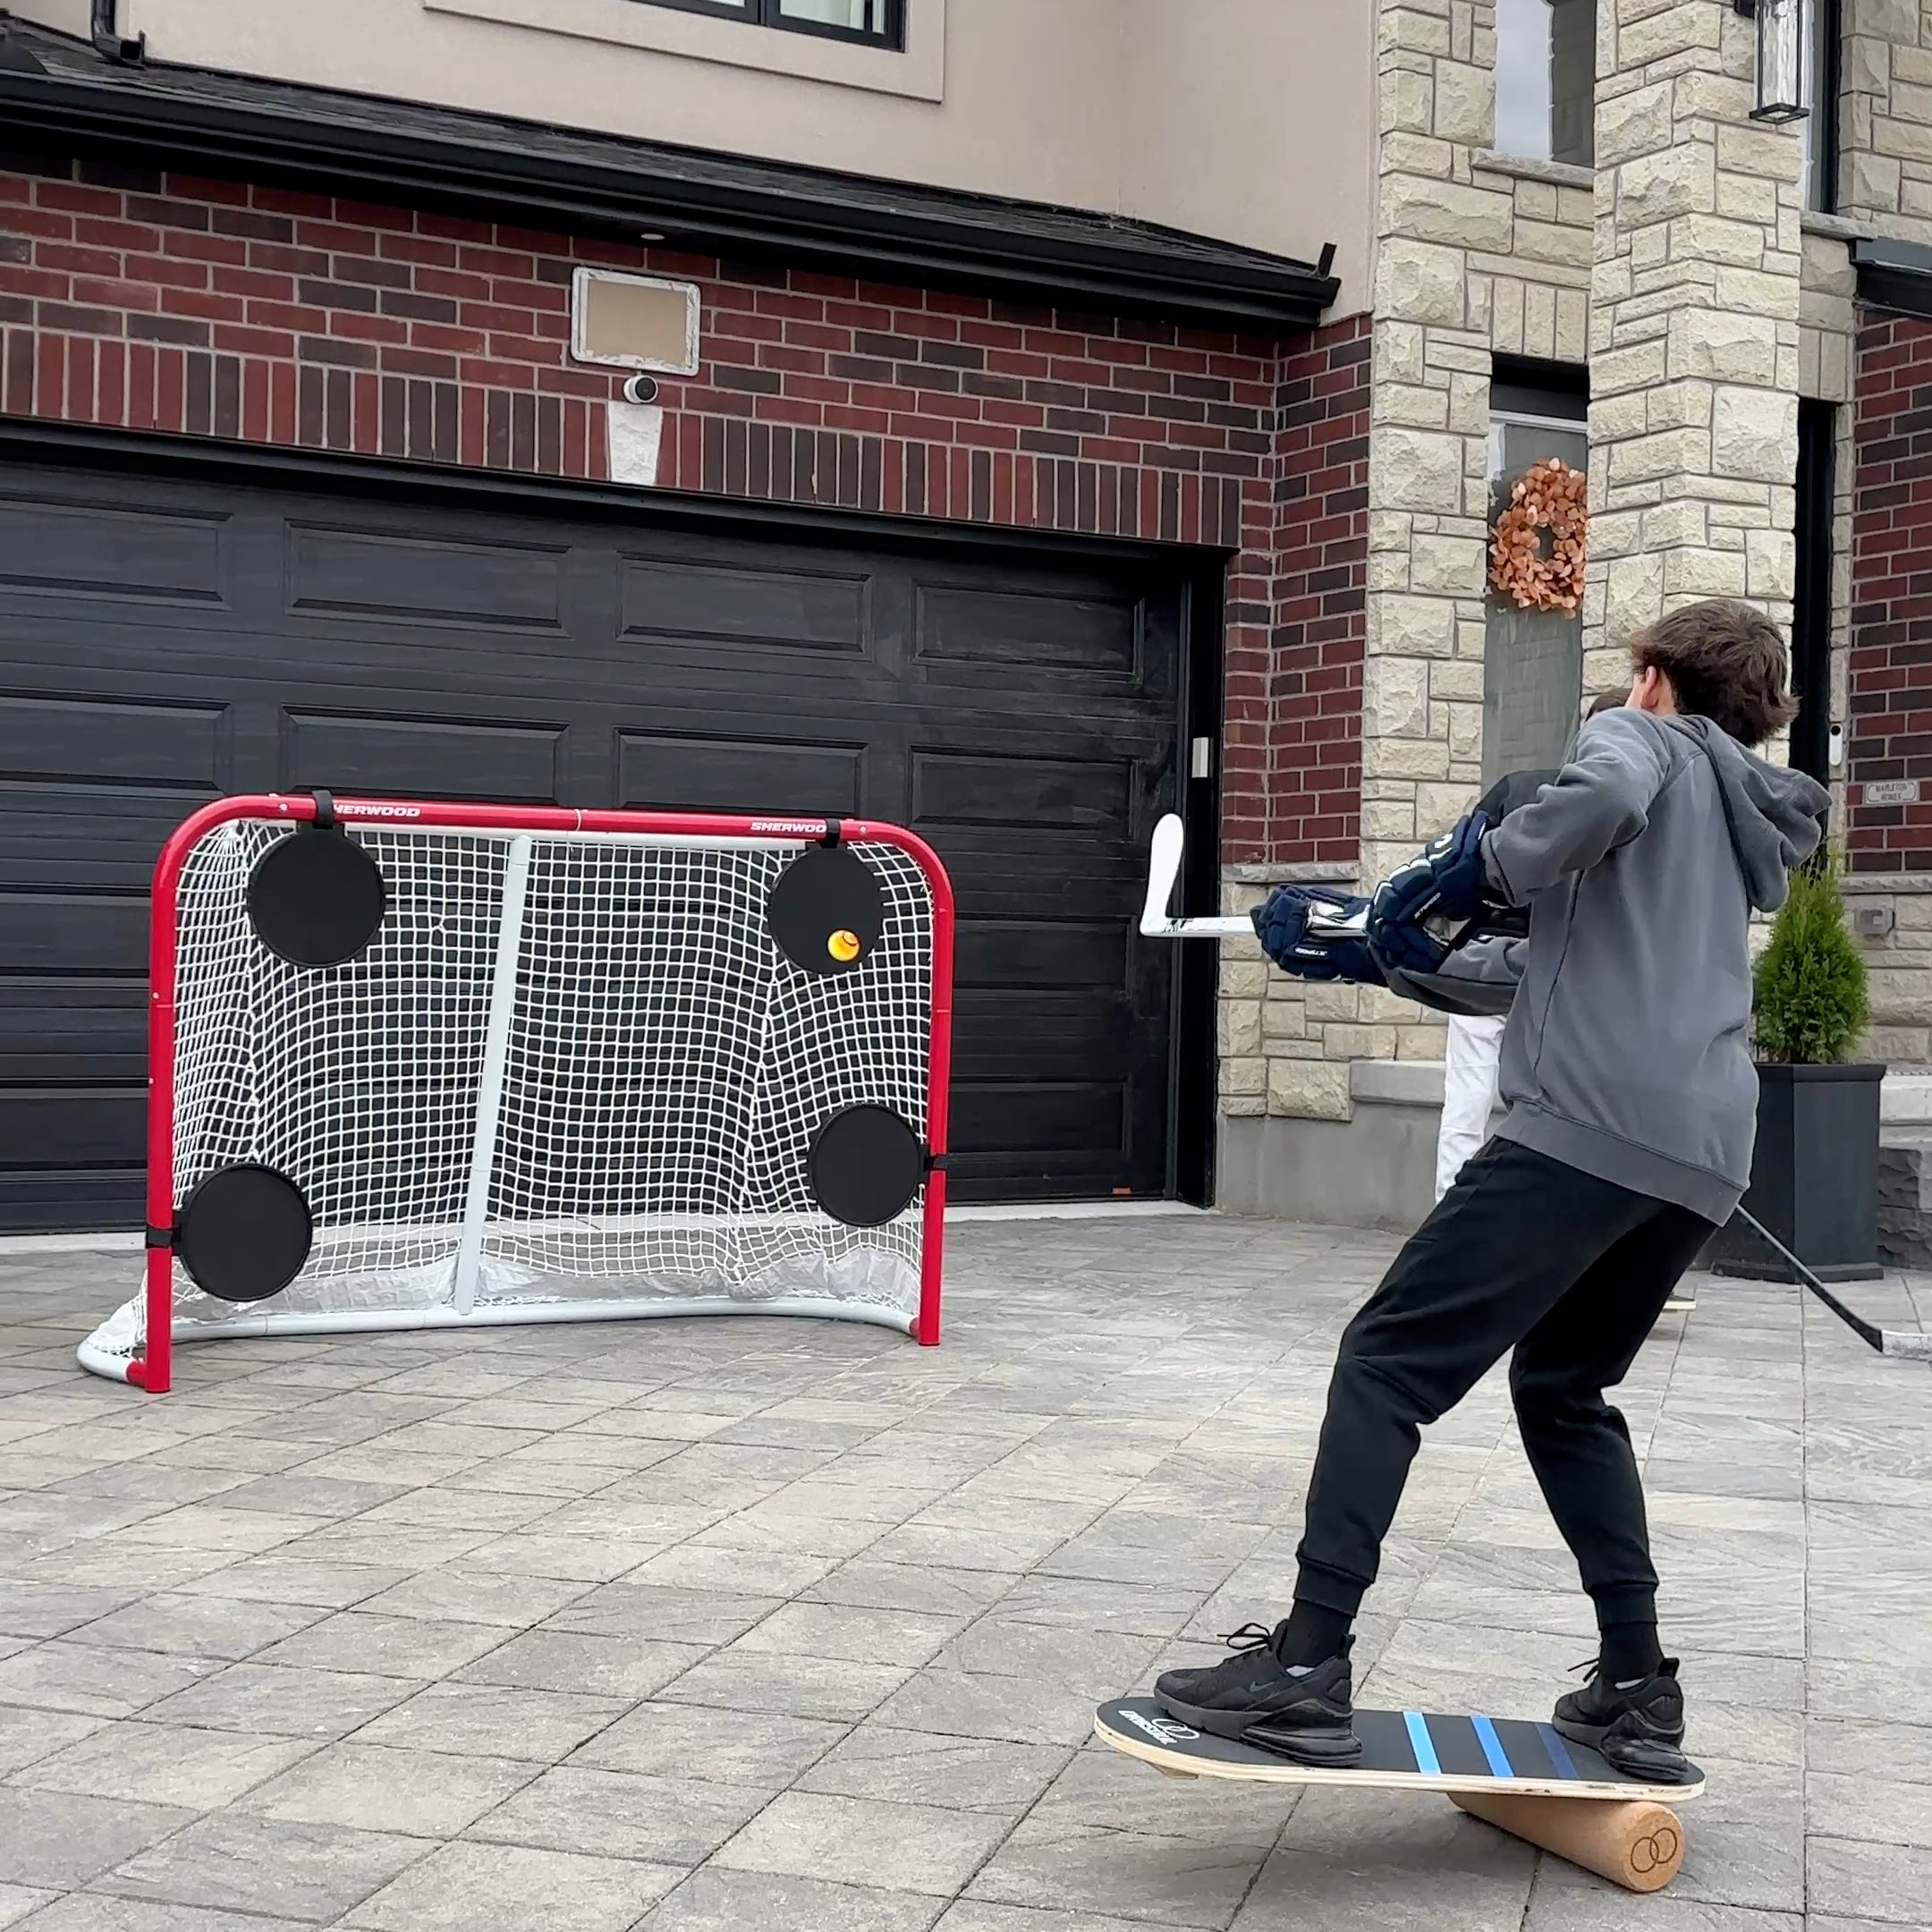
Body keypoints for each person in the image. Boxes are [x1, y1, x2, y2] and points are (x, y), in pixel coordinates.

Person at [1160, 603, 1826, 1781]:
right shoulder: (1735, 821)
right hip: (1703, 1152)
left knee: (1385, 1360)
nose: (1624, 698)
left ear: (1658, 679)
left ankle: (1306, 1666)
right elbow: (1543, 967)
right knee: (1566, 1388)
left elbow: (1594, 800)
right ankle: (1636, 1689)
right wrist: (1373, 946)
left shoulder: (1639, 746)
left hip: (1590, 1129)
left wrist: (1468, 865)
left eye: (1635, 678)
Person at [1434, 693, 1628, 1202]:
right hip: (1560, 967)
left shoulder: (1520, 789)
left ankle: (1449, 1214)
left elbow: (1461, 862)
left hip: (1488, 956)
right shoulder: (1628, 807)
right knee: (1562, 1098)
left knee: (1468, 1094)